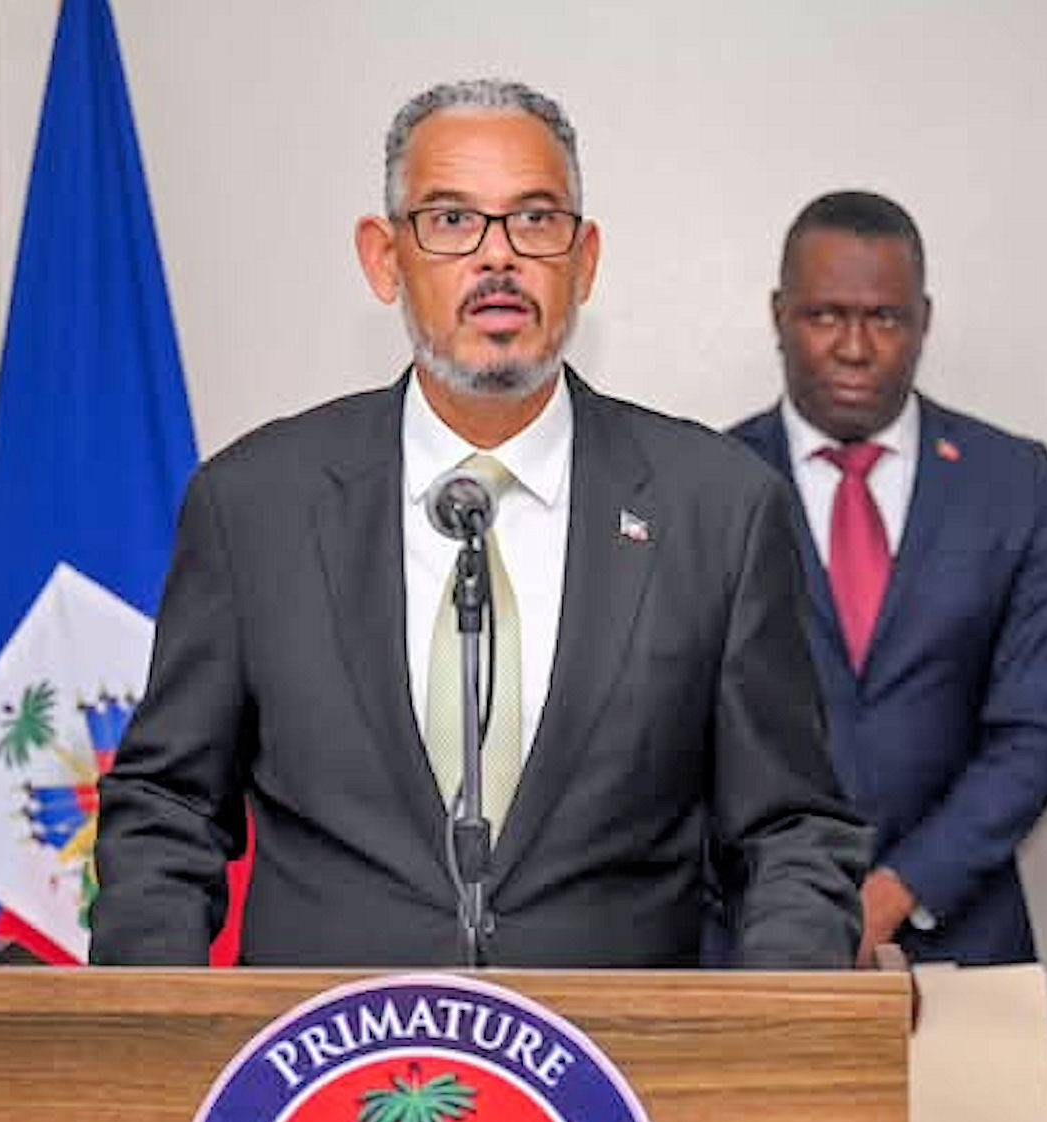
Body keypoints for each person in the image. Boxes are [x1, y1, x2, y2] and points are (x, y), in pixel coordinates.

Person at [89, 80, 866, 984]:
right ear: (384, 259)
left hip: (613, 1062)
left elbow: (787, 830)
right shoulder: (255, 506)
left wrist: (768, 1034)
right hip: (327, 1060)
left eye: (535, 220)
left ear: (583, 260)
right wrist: (166, 1032)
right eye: (452, 221)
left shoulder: (718, 510)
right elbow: (168, 808)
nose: (498, 256)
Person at [732, 191, 1047, 1122]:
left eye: (882, 318)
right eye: (826, 314)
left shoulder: (1015, 484)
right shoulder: (706, 482)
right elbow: (671, 733)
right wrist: (801, 911)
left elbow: (1032, 732)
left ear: (923, 320)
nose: (853, 344)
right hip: (750, 969)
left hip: (959, 965)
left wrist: (884, 896)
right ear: (780, 315)